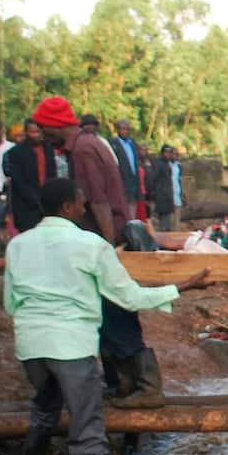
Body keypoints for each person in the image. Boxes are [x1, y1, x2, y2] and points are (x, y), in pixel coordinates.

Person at [5, 177, 210, 455]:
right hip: (71, 346)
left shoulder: (17, 245)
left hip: (31, 345)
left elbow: (11, 303)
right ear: (69, 207)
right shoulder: (90, 245)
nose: (85, 208)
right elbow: (128, 297)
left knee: (44, 406)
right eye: (81, 202)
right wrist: (183, 286)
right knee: (86, 426)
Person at [31, 96, 166, 410]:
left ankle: (147, 387)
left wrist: (104, 246)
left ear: (55, 124)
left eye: (43, 127)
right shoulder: (90, 144)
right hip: (104, 239)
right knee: (110, 315)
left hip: (103, 240)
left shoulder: (82, 151)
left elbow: (98, 201)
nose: (42, 134)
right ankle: (126, 384)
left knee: (115, 316)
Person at [3, 119, 58, 233]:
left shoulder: (49, 149)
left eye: (38, 132)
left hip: (47, 202)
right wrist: (34, 199)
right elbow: (18, 181)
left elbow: (52, 174)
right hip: (26, 204)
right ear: (26, 132)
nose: (36, 135)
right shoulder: (16, 152)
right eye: (32, 132)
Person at [110, 119, 141, 221]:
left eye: (127, 129)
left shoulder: (132, 144)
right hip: (121, 182)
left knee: (132, 211)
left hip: (133, 182)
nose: (125, 131)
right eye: (123, 129)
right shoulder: (113, 144)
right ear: (118, 130)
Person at [150, 145, 180, 232]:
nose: (168, 154)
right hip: (162, 197)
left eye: (170, 152)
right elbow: (153, 179)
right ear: (162, 153)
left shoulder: (167, 164)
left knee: (167, 224)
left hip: (168, 197)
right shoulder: (159, 164)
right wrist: (155, 193)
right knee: (163, 224)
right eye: (166, 152)